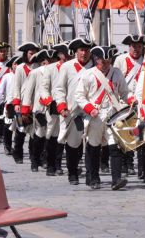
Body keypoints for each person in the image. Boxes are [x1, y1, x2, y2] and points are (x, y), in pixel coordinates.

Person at [76, 45, 136, 191]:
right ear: (97, 60)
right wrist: (89, 109)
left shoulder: (116, 73)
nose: (106, 64)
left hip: (113, 115)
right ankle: (93, 178)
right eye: (103, 61)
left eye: (108, 61)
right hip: (95, 116)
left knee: (115, 147)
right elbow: (79, 96)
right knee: (94, 147)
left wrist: (131, 99)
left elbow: (124, 92)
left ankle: (116, 179)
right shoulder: (88, 74)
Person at [53, 36, 94, 185]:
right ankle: (72, 172)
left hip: (91, 111)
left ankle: (91, 175)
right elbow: (59, 89)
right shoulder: (67, 67)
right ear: (76, 51)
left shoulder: (95, 66)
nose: (84, 53)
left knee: (92, 144)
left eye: (87, 50)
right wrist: (62, 106)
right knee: (73, 144)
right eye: (81, 50)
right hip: (72, 112)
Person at [114, 35, 145, 179]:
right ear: (129, 47)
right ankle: (124, 164)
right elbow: (116, 81)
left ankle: (137, 166)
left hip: (139, 102)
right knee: (123, 133)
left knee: (137, 134)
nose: (136, 49)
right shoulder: (121, 60)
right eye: (133, 46)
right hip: (124, 101)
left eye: (139, 46)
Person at [38, 42, 70, 176]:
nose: (67, 56)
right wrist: (48, 100)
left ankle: (59, 164)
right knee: (52, 134)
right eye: (65, 54)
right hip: (53, 105)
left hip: (69, 106)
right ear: (60, 55)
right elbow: (44, 88)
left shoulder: (73, 67)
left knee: (64, 136)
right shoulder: (50, 68)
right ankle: (50, 164)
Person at [11, 42, 41, 164]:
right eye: (30, 53)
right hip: (23, 102)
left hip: (36, 102)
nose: (32, 55)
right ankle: (17, 152)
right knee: (21, 130)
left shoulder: (38, 67)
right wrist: (16, 103)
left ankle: (34, 154)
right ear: (26, 54)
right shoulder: (20, 68)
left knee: (35, 130)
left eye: (34, 53)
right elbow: (16, 86)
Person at [0, 55, 20, 156]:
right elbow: (0, 91)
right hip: (10, 105)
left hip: (21, 105)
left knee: (20, 128)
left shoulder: (24, 76)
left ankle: (18, 148)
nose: (17, 66)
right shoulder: (7, 77)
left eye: (19, 64)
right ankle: (7, 146)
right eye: (15, 64)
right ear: (11, 65)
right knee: (8, 126)